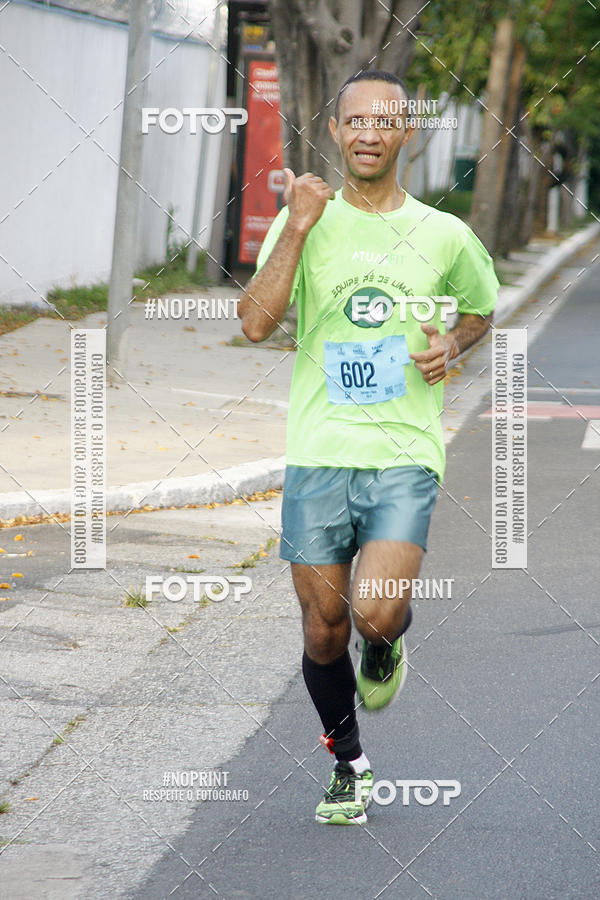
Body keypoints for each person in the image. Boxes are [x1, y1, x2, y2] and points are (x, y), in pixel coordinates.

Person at [238, 69, 498, 825]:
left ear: (405, 131)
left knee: (374, 616)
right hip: (319, 447)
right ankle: (348, 763)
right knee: (323, 626)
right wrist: (295, 225)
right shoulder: (308, 221)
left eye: (383, 122)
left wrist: (454, 341)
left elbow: (481, 307)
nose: (368, 134)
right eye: (355, 122)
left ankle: (385, 645)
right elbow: (254, 324)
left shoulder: (444, 234)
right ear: (337, 129)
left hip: (404, 449)